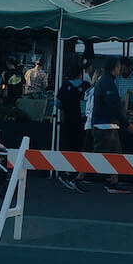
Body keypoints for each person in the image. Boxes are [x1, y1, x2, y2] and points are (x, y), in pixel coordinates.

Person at [92, 57, 133, 194]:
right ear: (115, 68)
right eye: (119, 67)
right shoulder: (107, 83)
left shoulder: (106, 81)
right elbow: (113, 106)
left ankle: (114, 181)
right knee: (97, 154)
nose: (120, 70)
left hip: (108, 124)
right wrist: (127, 125)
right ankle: (77, 176)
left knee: (116, 153)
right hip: (105, 124)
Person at [55, 61, 91, 191]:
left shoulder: (64, 86)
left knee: (68, 147)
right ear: (80, 74)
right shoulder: (86, 86)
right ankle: (76, 174)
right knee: (80, 147)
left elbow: (57, 103)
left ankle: (67, 172)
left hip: (67, 121)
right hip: (82, 122)